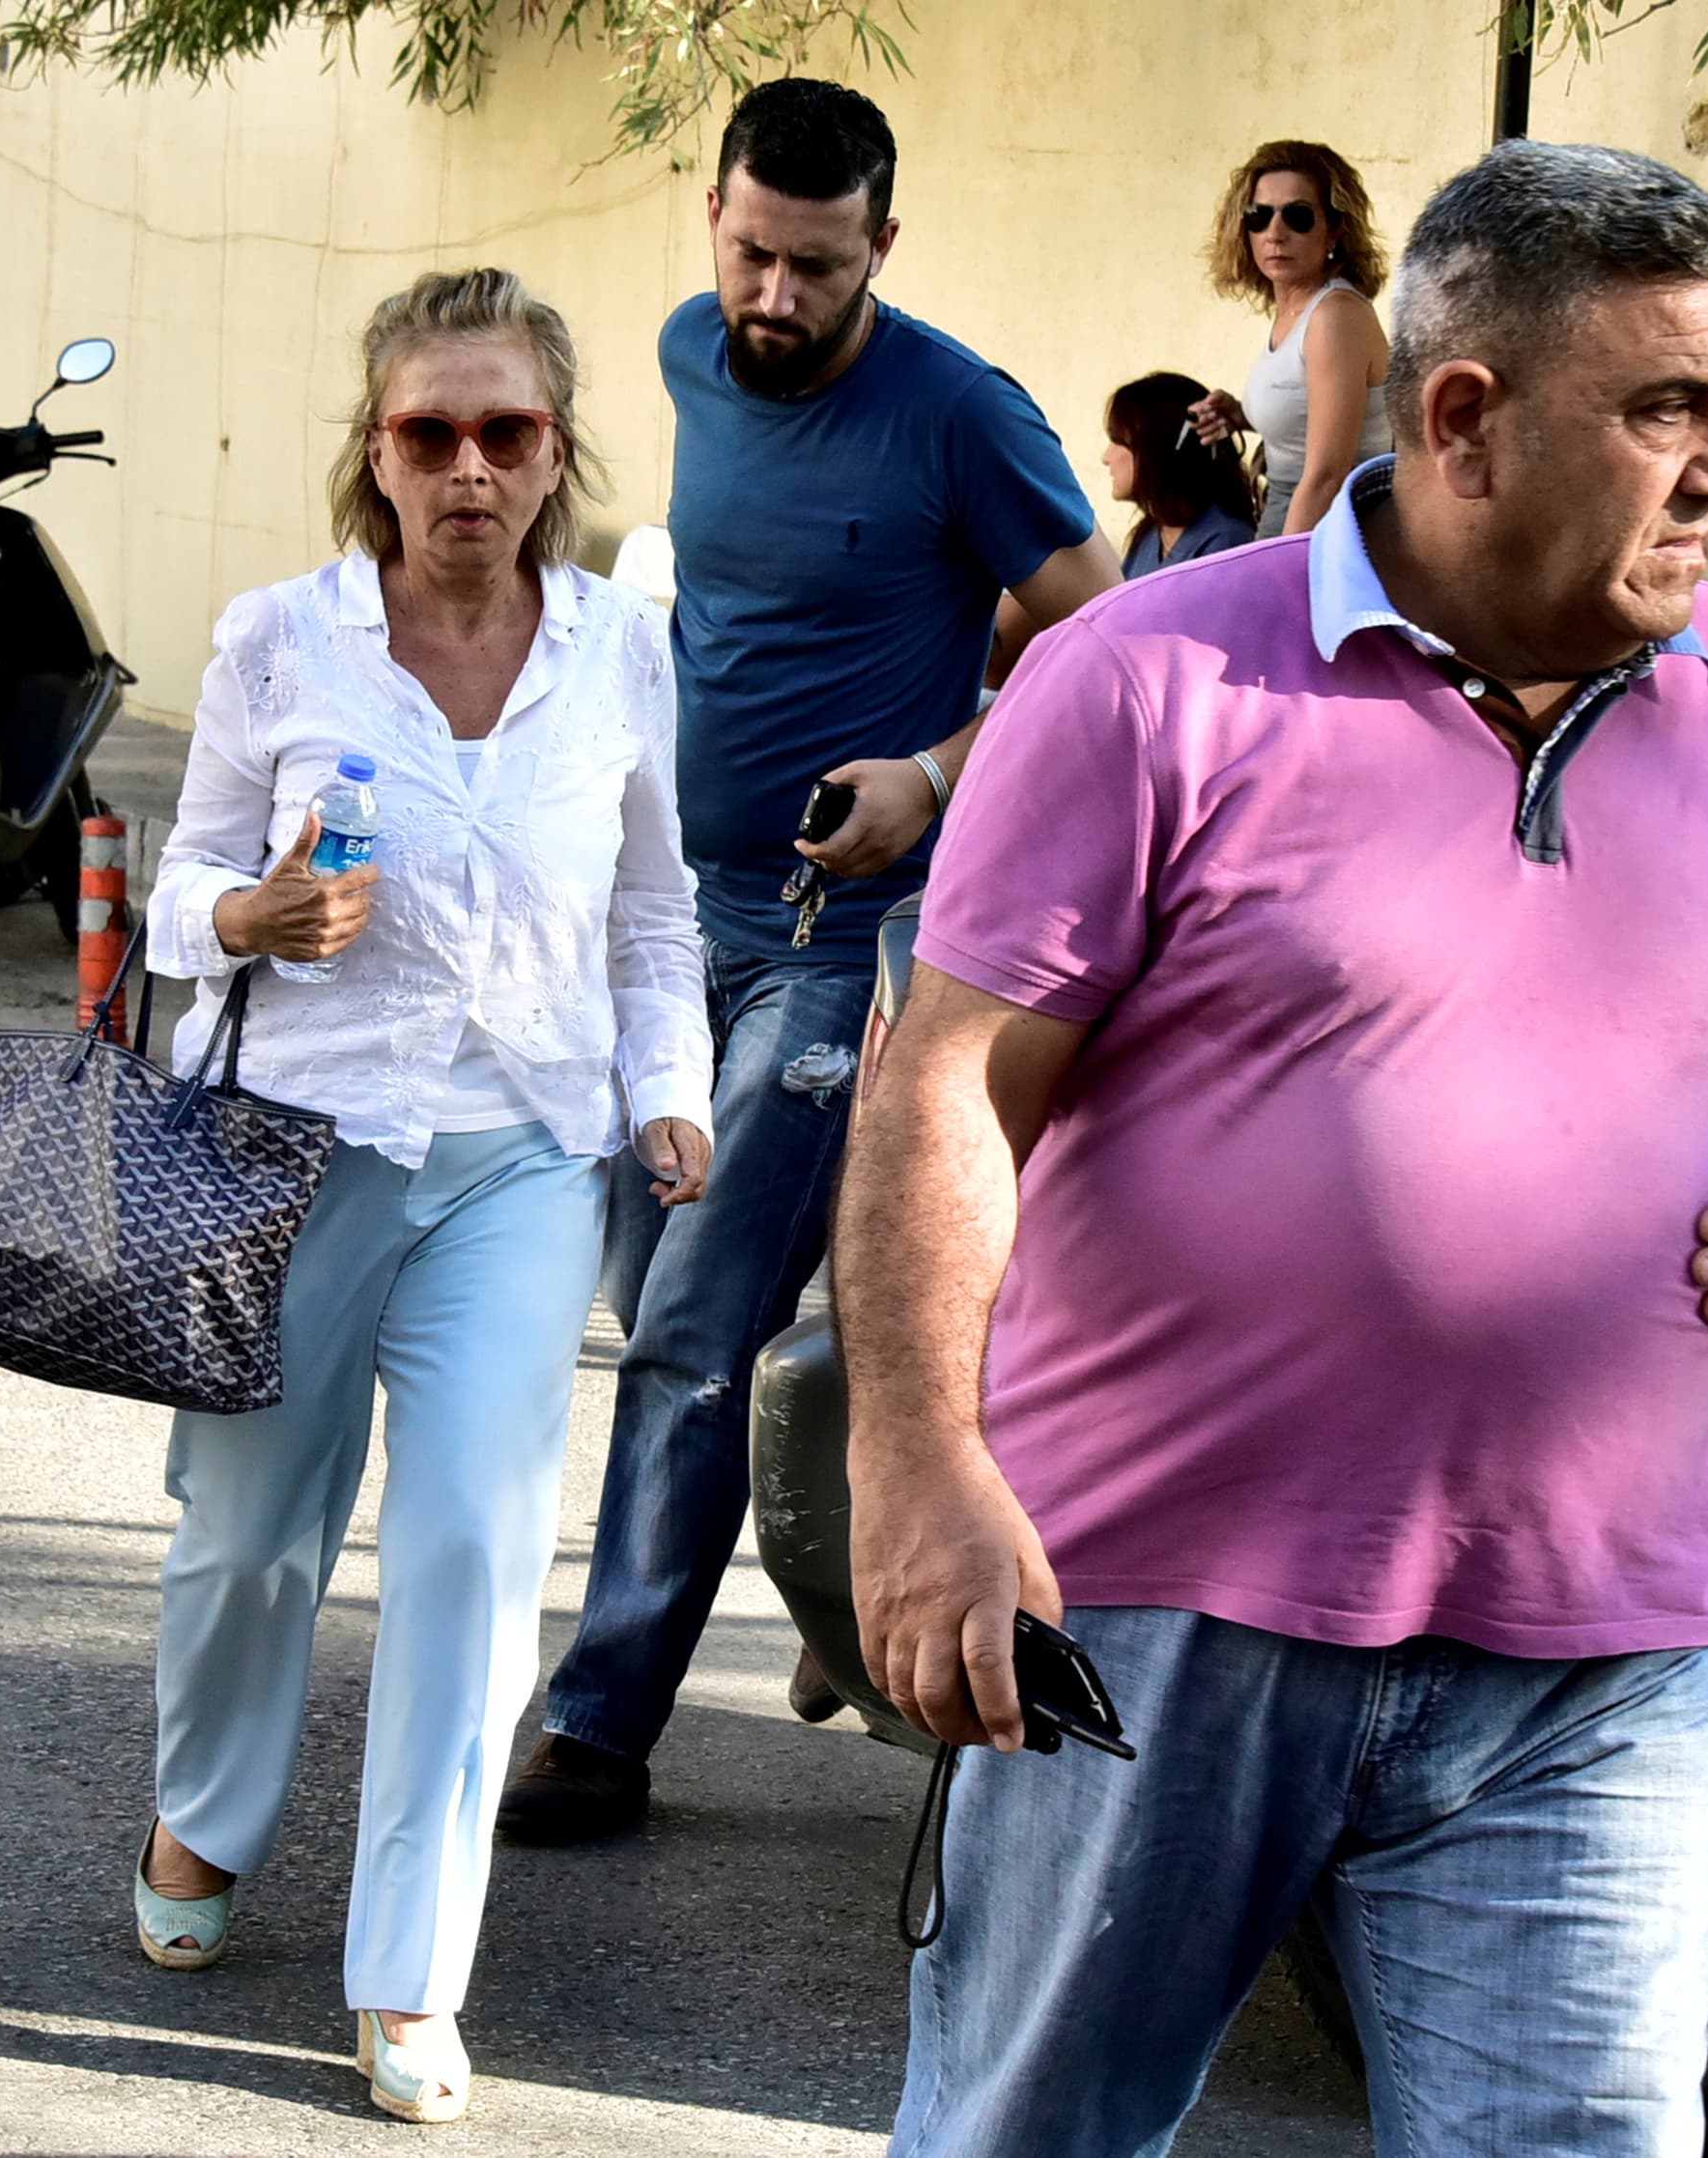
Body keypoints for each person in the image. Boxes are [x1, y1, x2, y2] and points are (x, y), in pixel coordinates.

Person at [840, 141, 1708, 2157]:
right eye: (1667, 410)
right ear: (1463, 420)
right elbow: (944, 1087)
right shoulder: (1151, 677)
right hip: (1157, 1611)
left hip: (1599, 1647)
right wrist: (917, 1462)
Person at [499, 77, 1121, 1847]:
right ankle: (849, 1575)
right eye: (754, 255)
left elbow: (1105, 643)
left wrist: (934, 771)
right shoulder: (699, 353)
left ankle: (602, 1723)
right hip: (660, 913)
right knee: (646, 1299)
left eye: (818, 271)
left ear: (883, 251)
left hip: (833, 943)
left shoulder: (957, 411)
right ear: (713, 218)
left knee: (693, 1325)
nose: (775, 300)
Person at [129, 269, 713, 2127]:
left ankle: (410, 1967)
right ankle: (206, 1813)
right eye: (428, 432)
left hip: (524, 1159)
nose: (468, 466)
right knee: (249, 1538)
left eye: (508, 431)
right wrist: (246, 914)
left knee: (468, 1551)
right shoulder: (283, 640)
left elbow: (656, 908)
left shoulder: (620, 645)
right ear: (373, 451)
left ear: (557, 451)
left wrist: (670, 1091)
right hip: (294, 1150)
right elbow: (179, 881)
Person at [1190, 139, 1393, 539]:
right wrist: (1242, 414)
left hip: (1333, 529)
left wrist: (1282, 571)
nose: (1275, 233)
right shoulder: (1297, 311)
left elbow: (1326, 476)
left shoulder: (1335, 316)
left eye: (1298, 217)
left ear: (1335, 229)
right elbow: (1312, 418)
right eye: (1258, 216)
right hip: (1293, 515)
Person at [1106, 373, 1255, 579]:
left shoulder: (1225, 543)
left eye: (1118, 441)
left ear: (1157, 450)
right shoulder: (1150, 535)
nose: (1106, 457)